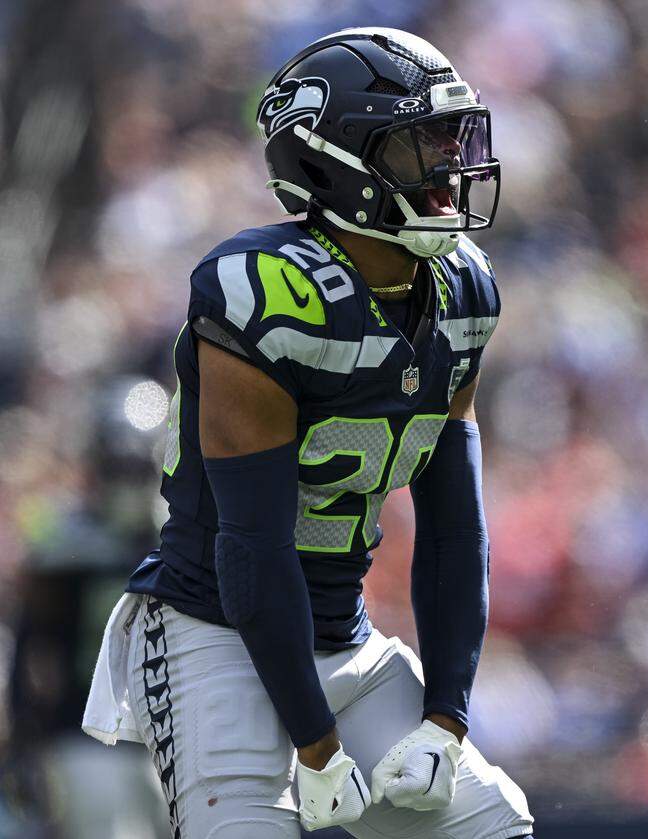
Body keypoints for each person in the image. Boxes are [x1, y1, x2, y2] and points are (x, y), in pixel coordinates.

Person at [82, 27, 534, 839]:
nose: (447, 166)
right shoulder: (264, 294)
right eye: (417, 143)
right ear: (338, 161)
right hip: (209, 635)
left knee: (493, 828)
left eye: (450, 137)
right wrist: (317, 748)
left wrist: (445, 719)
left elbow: (454, 531)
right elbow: (252, 546)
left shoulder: (463, 291)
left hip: (340, 635)